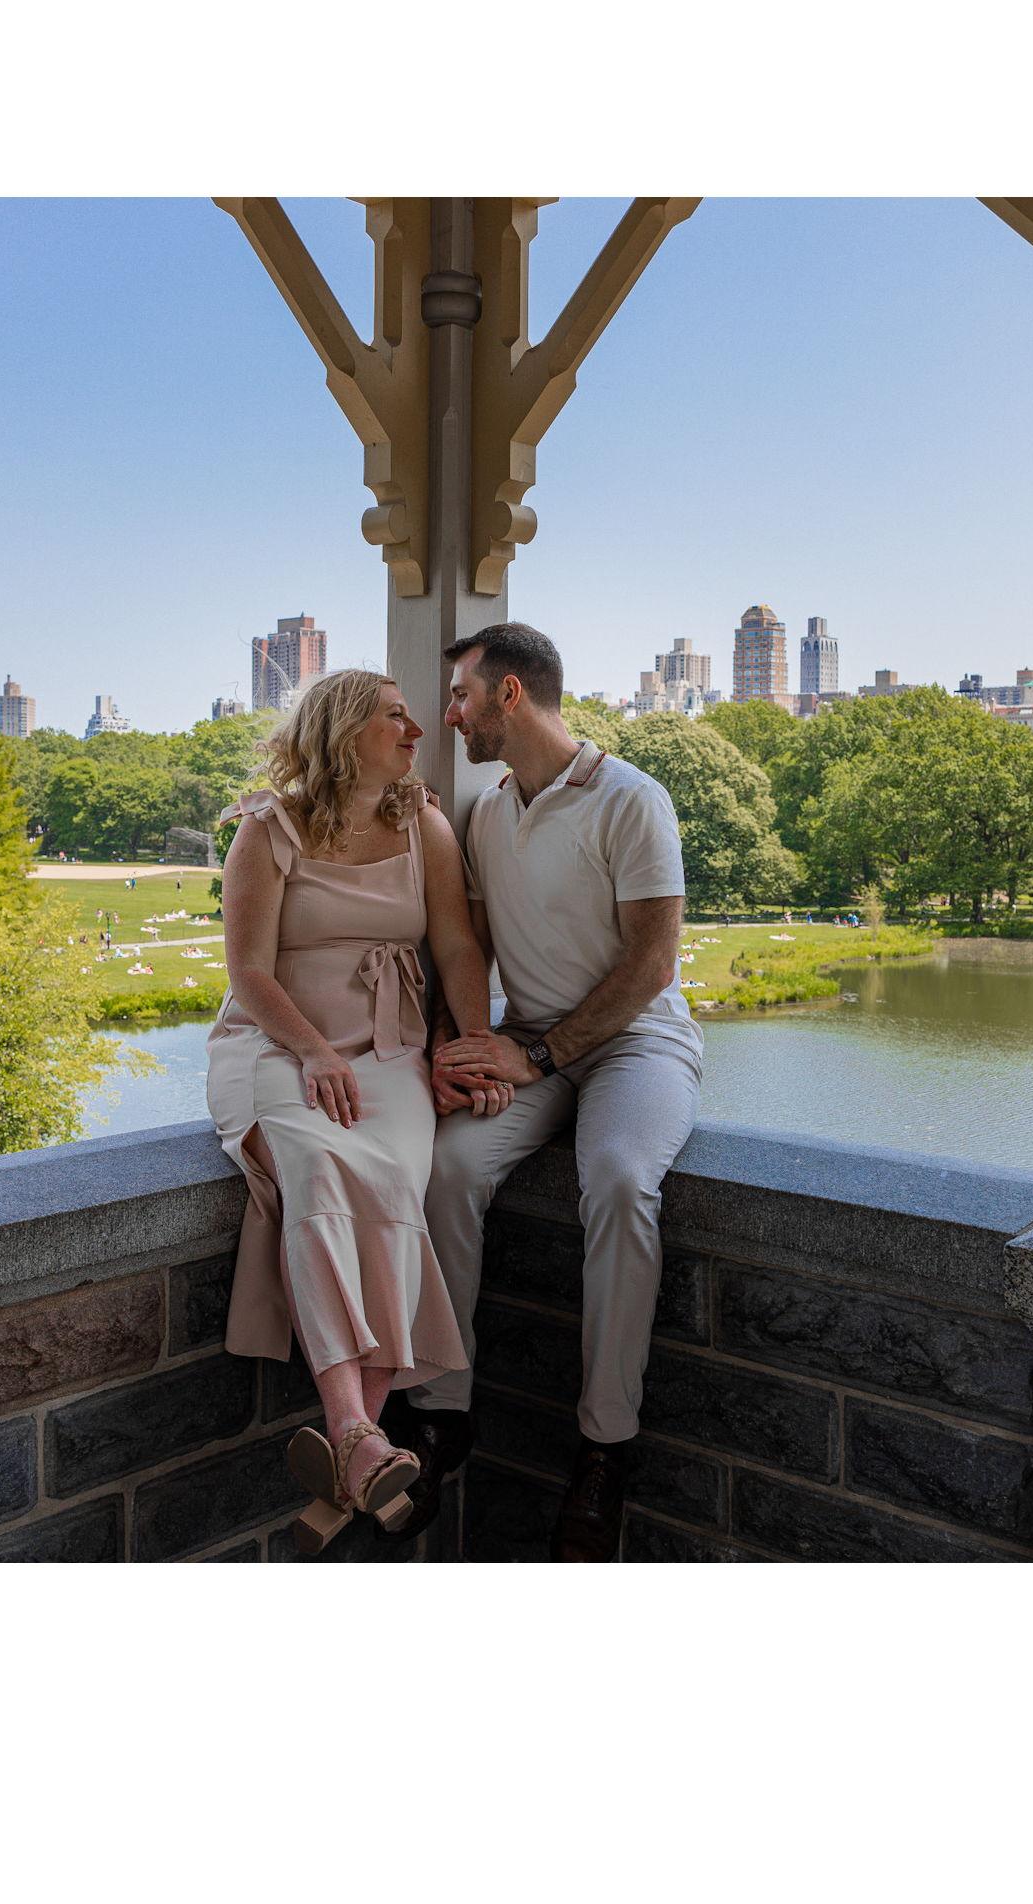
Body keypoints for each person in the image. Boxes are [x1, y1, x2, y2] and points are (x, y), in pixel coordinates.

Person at [409, 622, 703, 1562]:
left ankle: (604, 1447)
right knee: (448, 1169)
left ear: (508, 697)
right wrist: (467, 1048)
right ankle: (441, 1413)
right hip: (531, 1045)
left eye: (458, 696)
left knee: (618, 1180)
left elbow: (652, 966)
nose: (446, 714)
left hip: (636, 1049)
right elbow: (477, 949)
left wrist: (536, 1061)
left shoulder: (632, 800)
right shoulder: (488, 811)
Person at [207, 668, 510, 1554]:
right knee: (315, 1164)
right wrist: (309, 1050)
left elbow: (457, 944)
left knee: (392, 1178)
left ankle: (354, 1451)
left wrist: (469, 1046)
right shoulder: (269, 831)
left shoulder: (424, 824)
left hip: (387, 1056)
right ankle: (357, 1432)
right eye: (395, 717)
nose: (418, 730)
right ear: (344, 731)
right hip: (277, 1048)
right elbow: (249, 974)